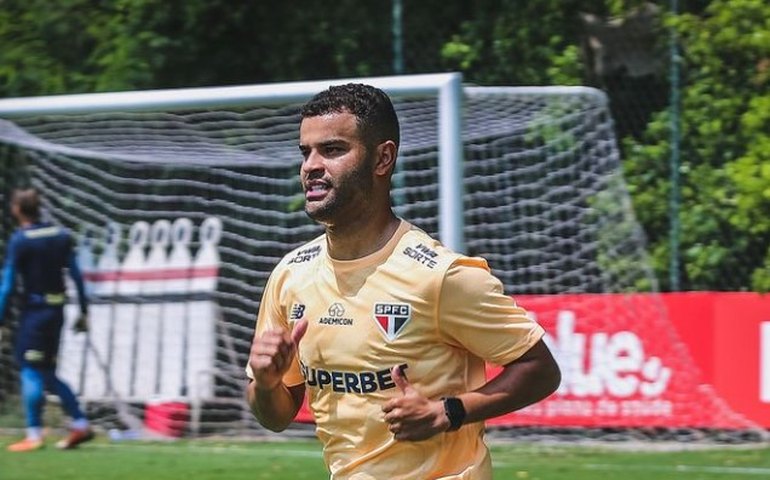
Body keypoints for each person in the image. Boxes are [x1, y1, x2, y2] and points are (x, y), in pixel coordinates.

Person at [246, 84, 561, 479]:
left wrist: (447, 412)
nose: (311, 165)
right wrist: (264, 381)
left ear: (383, 158)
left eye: (332, 150)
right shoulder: (291, 276)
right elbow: (275, 416)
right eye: (305, 152)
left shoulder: (440, 275)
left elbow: (541, 369)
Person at [0, 188, 93, 452]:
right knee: (48, 372)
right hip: (57, 312)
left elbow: (6, 285)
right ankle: (80, 423)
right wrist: (84, 311)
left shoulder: (21, 240)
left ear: (17, 210)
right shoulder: (61, 235)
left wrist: (0, 318)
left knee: (29, 369)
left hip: (35, 313)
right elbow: (76, 275)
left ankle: (34, 434)